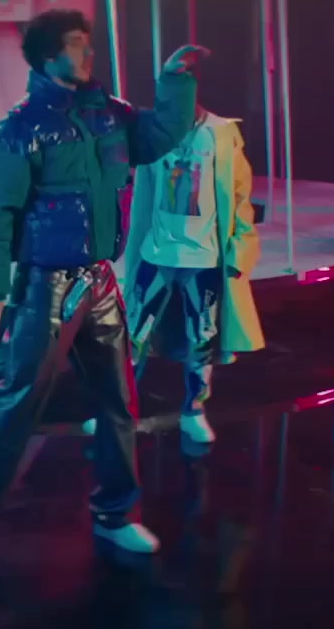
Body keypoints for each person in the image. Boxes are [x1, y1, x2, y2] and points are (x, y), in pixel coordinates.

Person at [0, 7, 203, 568]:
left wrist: (174, 83)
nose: (88, 53)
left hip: (100, 280)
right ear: (48, 56)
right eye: (76, 44)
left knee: (118, 402)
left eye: (88, 43)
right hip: (45, 285)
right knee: (19, 401)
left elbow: (159, 135)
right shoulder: (20, 130)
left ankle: (117, 513)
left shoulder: (109, 114)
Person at [102, 100, 265, 444]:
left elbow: (240, 196)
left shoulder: (220, 133)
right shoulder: (155, 131)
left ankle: (194, 410)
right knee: (132, 334)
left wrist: (240, 252)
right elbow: (136, 183)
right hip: (157, 251)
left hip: (205, 257)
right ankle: (115, 412)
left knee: (202, 337)